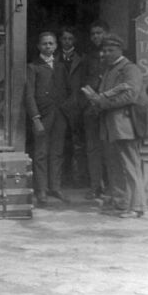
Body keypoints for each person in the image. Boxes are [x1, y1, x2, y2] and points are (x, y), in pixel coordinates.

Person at [86, 33, 147, 218]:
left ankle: (136, 207)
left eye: (110, 50)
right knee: (115, 166)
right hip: (111, 126)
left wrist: (102, 102)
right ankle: (122, 204)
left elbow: (131, 95)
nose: (106, 53)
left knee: (129, 166)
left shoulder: (129, 69)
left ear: (120, 50)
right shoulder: (110, 69)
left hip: (125, 125)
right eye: (104, 50)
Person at [25, 32, 71, 206]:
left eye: (51, 44)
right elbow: (29, 95)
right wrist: (35, 118)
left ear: (56, 46)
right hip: (42, 116)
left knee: (57, 152)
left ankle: (55, 186)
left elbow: (67, 90)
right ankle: (41, 189)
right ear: (38, 46)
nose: (48, 47)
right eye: (44, 44)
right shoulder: (33, 67)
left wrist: (66, 111)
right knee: (41, 153)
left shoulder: (60, 67)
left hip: (59, 115)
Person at [81, 19, 116, 202]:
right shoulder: (88, 57)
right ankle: (96, 186)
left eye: (99, 33)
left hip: (109, 108)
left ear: (107, 34)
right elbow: (84, 80)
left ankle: (112, 186)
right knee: (93, 149)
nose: (96, 37)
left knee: (110, 148)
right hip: (92, 107)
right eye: (93, 34)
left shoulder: (114, 56)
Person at [58, 26, 87, 188]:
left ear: (74, 40)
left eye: (70, 39)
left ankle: (80, 179)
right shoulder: (55, 58)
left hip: (76, 106)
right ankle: (64, 178)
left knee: (78, 145)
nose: (67, 42)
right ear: (60, 40)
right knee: (62, 144)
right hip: (60, 107)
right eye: (64, 39)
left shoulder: (82, 59)